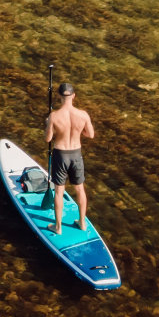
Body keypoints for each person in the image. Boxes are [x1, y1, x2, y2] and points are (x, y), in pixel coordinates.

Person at [45, 81, 94, 236]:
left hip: (61, 154)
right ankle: (82, 223)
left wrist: (48, 124)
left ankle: (58, 227)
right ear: (74, 96)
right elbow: (91, 135)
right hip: (76, 154)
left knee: (59, 191)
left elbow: (48, 139)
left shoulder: (54, 116)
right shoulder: (83, 115)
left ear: (59, 96)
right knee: (80, 189)